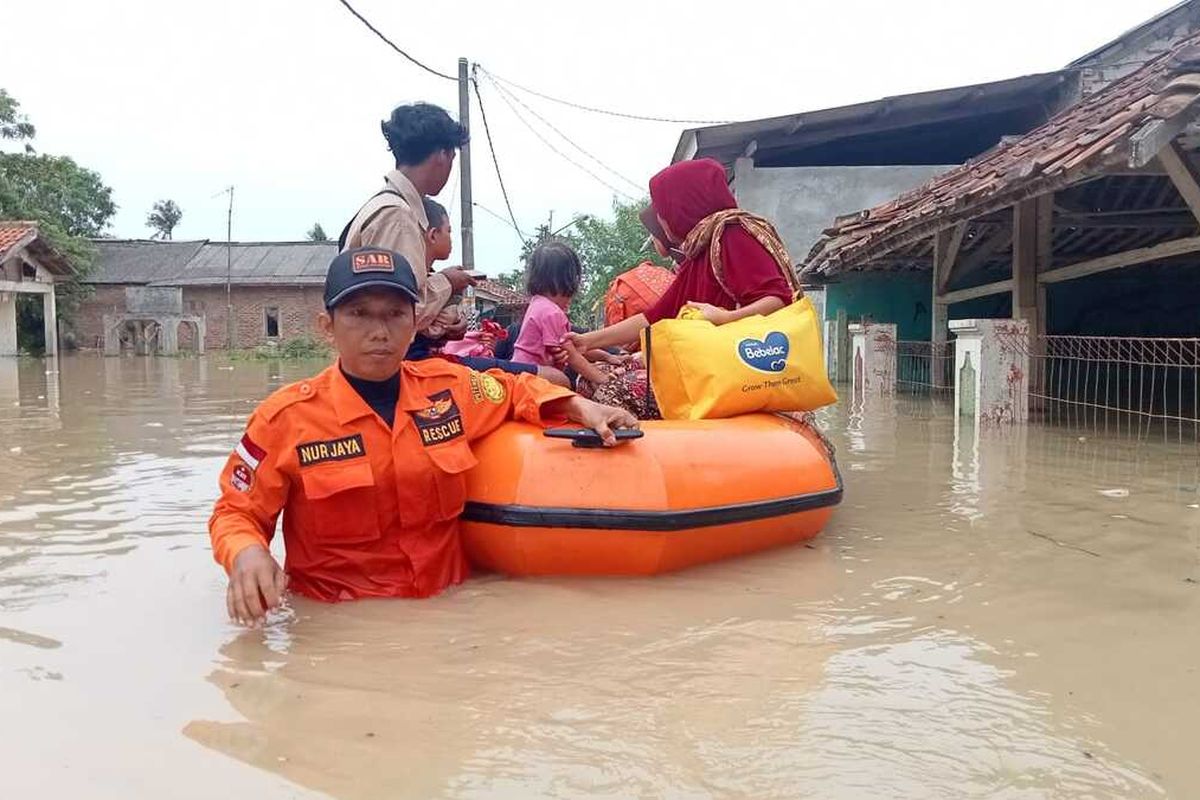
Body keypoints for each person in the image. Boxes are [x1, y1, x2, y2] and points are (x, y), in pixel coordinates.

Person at [209, 246, 638, 625]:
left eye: (395, 314)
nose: (379, 331)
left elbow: (513, 388)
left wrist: (579, 405)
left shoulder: (448, 389)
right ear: (327, 326)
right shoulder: (285, 418)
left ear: (414, 323)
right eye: (359, 314)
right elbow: (236, 512)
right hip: (335, 625)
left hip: (449, 617)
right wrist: (247, 554)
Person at [567, 158, 799, 417]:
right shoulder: (700, 252)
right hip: (707, 366)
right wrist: (586, 341)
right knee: (592, 379)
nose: (663, 221)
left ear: (684, 205)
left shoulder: (733, 235)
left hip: (736, 370)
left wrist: (726, 318)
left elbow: (778, 300)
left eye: (664, 211)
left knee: (611, 389)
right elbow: (653, 318)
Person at [510, 241, 627, 389]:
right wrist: (603, 379)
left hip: (521, 375)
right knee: (565, 382)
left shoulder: (537, 304)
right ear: (563, 281)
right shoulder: (551, 313)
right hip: (532, 382)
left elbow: (577, 349)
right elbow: (573, 356)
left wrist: (607, 356)